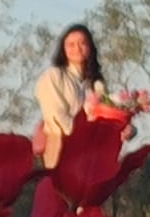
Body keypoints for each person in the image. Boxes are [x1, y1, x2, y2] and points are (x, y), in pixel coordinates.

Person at [34, 24, 112, 168]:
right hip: (62, 151)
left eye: (82, 43)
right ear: (63, 49)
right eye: (71, 44)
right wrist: (84, 136)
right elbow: (56, 115)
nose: (77, 48)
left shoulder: (95, 84)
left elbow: (107, 115)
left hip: (92, 158)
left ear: (90, 48)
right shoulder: (54, 76)